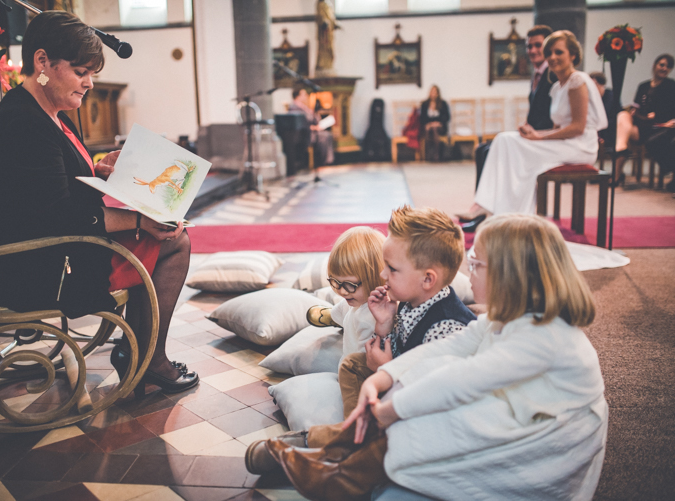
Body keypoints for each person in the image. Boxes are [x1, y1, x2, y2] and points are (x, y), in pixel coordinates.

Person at [255, 214, 608, 501]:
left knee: (431, 408)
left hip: (545, 437)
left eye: (476, 263)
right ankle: (341, 460)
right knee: (421, 381)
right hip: (522, 406)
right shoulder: (509, 319)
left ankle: (344, 471)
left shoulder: (545, 337)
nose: (470, 271)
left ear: (509, 276)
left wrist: (389, 410)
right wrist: (384, 378)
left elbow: (464, 377)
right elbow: (446, 351)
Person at [0, 11, 198, 397]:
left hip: (51, 251)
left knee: (170, 234)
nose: (89, 83)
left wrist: (102, 170)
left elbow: (51, 190)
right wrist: (139, 219)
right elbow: (59, 214)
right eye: (80, 71)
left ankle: (140, 353)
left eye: (92, 73)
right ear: (42, 62)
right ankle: (147, 359)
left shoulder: (48, 112)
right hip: (30, 268)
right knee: (173, 242)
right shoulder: (23, 123)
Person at [245, 205, 475, 474]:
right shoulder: (409, 302)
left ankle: (325, 445)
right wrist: (385, 327)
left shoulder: (446, 325)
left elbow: (425, 392)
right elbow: (399, 347)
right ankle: (343, 436)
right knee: (354, 363)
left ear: (427, 278)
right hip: (392, 386)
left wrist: (384, 369)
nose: (383, 275)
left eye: (391, 268)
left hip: (416, 414)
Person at [458, 30, 608, 228]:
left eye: (559, 52)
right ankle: (492, 208)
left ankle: (509, 213)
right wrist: (533, 135)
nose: (552, 57)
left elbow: (578, 127)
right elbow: (557, 128)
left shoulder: (577, 81)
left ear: (572, 55)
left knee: (512, 146)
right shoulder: (557, 87)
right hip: (565, 142)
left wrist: (538, 137)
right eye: (550, 53)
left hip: (581, 146)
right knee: (504, 139)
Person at [306, 226, 385, 417]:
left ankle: (353, 423)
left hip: (358, 375)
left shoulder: (369, 320)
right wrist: (337, 311)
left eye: (349, 284)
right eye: (335, 282)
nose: (341, 290)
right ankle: (332, 317)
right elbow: (346, 304)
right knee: (346, 307)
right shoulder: (356, 299)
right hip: (352, 323)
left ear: (375, 278)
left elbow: (361, 362)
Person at [471, 25, 555, 193]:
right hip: (532, 133)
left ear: (548, 47)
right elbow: (536, 110)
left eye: (538, 45)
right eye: (529, 46)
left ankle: (489, 204)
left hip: (543, 138)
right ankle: (481, 203)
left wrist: (534, 132)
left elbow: (553, 115)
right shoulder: (537, 75)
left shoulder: (552, 75)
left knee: (489, 151)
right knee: (481, 149)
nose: (532, 50)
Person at [614, 54, 675, 185]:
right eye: (662, 65)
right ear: (654, 65)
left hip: (659, 126)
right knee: (623, 116)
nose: (664, 68)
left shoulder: (671, 85)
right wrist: (634, 112)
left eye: (668, 66)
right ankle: (621, 148)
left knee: (625, 133)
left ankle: (617, 173)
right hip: (641, 123)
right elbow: (636, 105)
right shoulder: (643, 86)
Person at [288, 87, 335, 165]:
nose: (306, 96)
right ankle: (323, 162)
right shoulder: (294, 107)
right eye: (304, 94)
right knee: (325, 136)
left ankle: (326, 161)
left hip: (309, 131)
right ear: (298, 96)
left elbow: (311, 119)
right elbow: (299, 124)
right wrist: (314, 128)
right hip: (304, 134)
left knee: (327, 134)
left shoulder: (303, 106)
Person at [419, 85, 450, 161]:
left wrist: (437, 122)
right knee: (429, 129)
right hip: (428, 127)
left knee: (435, 128)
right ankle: (428, 155)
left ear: (438, 93)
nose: (433, 94)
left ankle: (437, 154)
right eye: (432, 92)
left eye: (435, 92)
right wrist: (430, 123)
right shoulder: (425, 104)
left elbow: (446, 117)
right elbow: (422, 118)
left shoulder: (443, 104)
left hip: (440, 127)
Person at [589, 71, 619, 145]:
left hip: (610, 128)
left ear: (601, 84)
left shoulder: (611, 96)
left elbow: (608, 115)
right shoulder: (591, 98)